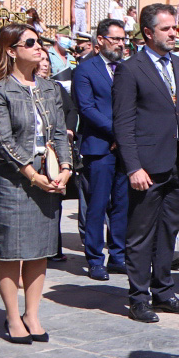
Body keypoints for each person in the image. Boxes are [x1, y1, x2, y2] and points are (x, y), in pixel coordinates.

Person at [111, 3, 179, 324]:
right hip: (147, 166)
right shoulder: (131, 68)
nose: (173, 33)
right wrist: (133, 166)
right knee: (141, 233)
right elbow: (123, 122)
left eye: (174, 27)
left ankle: (163, 291)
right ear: (148, 33)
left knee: (169, 229)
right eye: (166, 29)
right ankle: (138, 297)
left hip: (178, 164)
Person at [0, 25, 73, 344]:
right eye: (31, 43)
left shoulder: (49, 87)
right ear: (11, 50)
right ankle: (12, 316)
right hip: (14, 178)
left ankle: (32, 314)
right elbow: (3, 140)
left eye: (41, 43)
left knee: (39, 249)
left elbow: (60, 132)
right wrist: (32, 174)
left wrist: (65, 167)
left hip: (48, 172)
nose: (40, 48)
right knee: (10, 251)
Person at [73, 18, 129, 281]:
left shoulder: (127, 68)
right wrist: (116, 132)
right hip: (99, 146)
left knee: (122, 204)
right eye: (115, 38)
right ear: (101, 40)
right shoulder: (86, 70)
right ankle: (95, 258)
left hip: (125, 148)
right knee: (97, 204)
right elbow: (87, 108)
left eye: (122, 39)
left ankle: (118, 255)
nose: (120, 43)